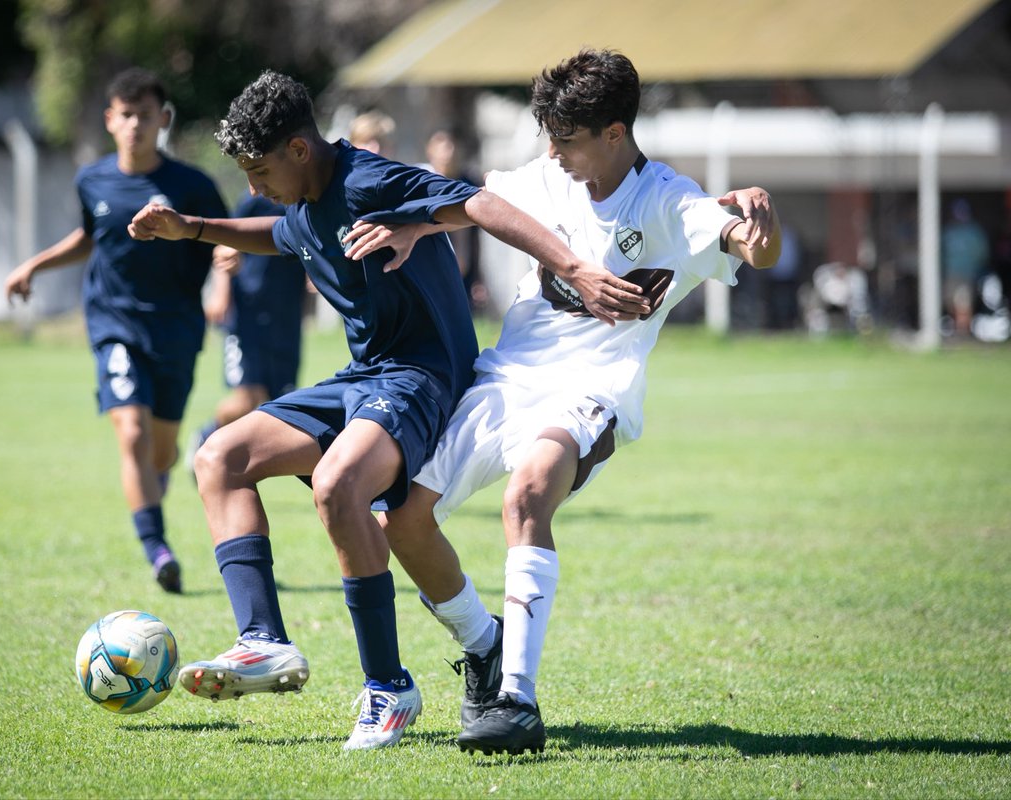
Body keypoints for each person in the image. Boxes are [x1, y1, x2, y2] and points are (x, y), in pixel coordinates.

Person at [126, 69, 649, 750]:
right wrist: (192, 228)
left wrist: (573, 268)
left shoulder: (368, 180)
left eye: (259, 169)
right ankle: (263, 641)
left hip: (423, 380)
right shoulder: (308, 201)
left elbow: (481, 205)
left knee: (340, 487)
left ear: (298, 149)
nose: (254, 185)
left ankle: (386, 688)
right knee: (220, 457)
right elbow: (281, 234)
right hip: (365, 379)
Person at [344, 49, 782, 755]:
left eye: (567, 138)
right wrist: (413, 225)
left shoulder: (668, 199)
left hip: (591, 390)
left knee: (528, 496)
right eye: (548, 136)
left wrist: (763, 226)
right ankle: (484, 648)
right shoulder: (546, 176)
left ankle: (514, 701)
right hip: (506, 377)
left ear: (614, 132)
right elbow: (470, 202)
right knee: (404, 522)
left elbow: (745, 245)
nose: (554, 152)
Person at [4, 68, 228, 594]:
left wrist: (223, 282)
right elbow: (91, 236)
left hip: (175, 328)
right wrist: (35, 265)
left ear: (163, 120)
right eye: (125, 115)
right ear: (110, 120)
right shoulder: (94, 180)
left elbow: (223, 238)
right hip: (113, 321)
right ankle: (158, 548)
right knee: (131, 431)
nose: (135, 125)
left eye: (145, 116)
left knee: (163, 452)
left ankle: (153, 490)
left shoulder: (192, 185)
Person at [186, 189, 307, 472]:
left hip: (285, 317)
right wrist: (221, 290)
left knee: (279, 399)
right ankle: (207, 437)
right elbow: (225, 244)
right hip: (247, 315)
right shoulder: (256, 201)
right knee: (246, 398)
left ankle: (242, 460)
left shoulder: (308, 201)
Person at [418, 129, 488, 315]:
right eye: (442, 147)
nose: (448, 152)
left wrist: (477, 277)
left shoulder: (467, 183)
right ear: (429, 150)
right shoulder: (421, 182)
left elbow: (471, 236)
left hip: (459, 269)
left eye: (451, 147)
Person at [941, 198, 990, 336]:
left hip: (967, 274)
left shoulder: (974, 232)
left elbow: (982, 253)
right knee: (951, 303)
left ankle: (963, 334)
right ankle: (957, 331)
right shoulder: (949, 232)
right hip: (951, 274)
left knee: (964, 304)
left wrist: (975, 269)